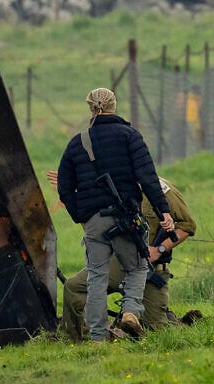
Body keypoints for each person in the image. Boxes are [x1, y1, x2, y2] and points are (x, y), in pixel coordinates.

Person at [57, 88, 175, 343]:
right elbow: (147, 177)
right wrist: (163, 210)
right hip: (125, 217)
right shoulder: (129, 136)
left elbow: (64, 187)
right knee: (137, 267)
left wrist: (81, 215)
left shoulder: (77, 142)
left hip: (93, 221)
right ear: (114, 105)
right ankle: (131, 312)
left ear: (90, 108)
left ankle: (98, 338)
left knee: (96, 276)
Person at [48, 171, 196, 341]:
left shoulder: (161, 189)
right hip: (119, 262)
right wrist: (72, 196)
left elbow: (187, 225)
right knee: (74, 287)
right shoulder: (108, 187)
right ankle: (71, 338)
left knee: (157, 330)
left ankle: (171, 320)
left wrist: (159, 250)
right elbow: (92, 227)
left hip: (151, 269)